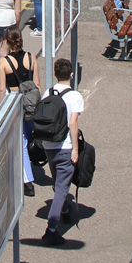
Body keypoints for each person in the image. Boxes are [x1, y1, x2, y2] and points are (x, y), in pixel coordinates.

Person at [41, 57, 84, 246]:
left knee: (58, 180)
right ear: (71, 75)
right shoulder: (75, 96)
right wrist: (75, 148)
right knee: (61, 188)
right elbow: (72, 124)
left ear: (56, 74)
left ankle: (64, 209)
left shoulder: (47, 93)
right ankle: (51, 229)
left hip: (49, 146)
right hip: (65, 146)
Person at [0, 26, 41, 198]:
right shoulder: (31, 58)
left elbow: (2, 90)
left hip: (15, 102)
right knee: (28, 136)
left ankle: (27, 181)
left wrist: (2, 111)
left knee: (21, 141)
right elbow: (37, 84)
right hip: (31, 102)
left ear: (7, 42)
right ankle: (27, 168)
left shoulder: (4, 62)